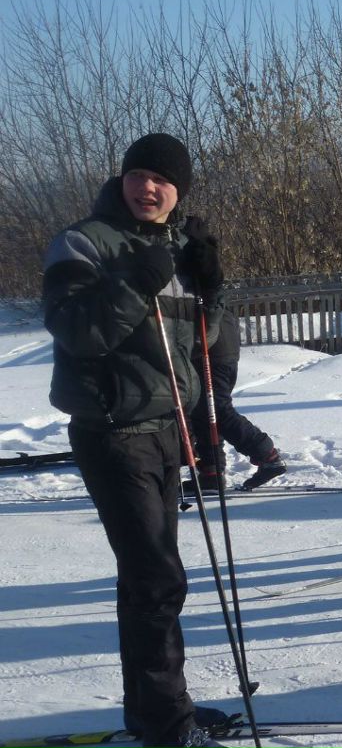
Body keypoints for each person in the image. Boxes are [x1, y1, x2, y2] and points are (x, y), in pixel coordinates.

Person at [42, 134, 230, 747]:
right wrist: (134, 282)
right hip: (113, 431)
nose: (147, 188)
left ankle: (153, 710)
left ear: (179, 192)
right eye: (138, 176)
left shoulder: (175, 247)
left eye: (162, 180)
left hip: (165, 429)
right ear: (121, 180)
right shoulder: (83, 242)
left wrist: (212, 288)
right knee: (156, 580)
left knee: (146, 580)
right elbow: (76, 331)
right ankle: (169, 727)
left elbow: (197, 346)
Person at [188, 306, 287, 492]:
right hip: (217, 343)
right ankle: (211, 474)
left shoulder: (188, 283)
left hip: (210, 346)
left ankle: (269, 457)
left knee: (216, 409)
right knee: (203, 412)